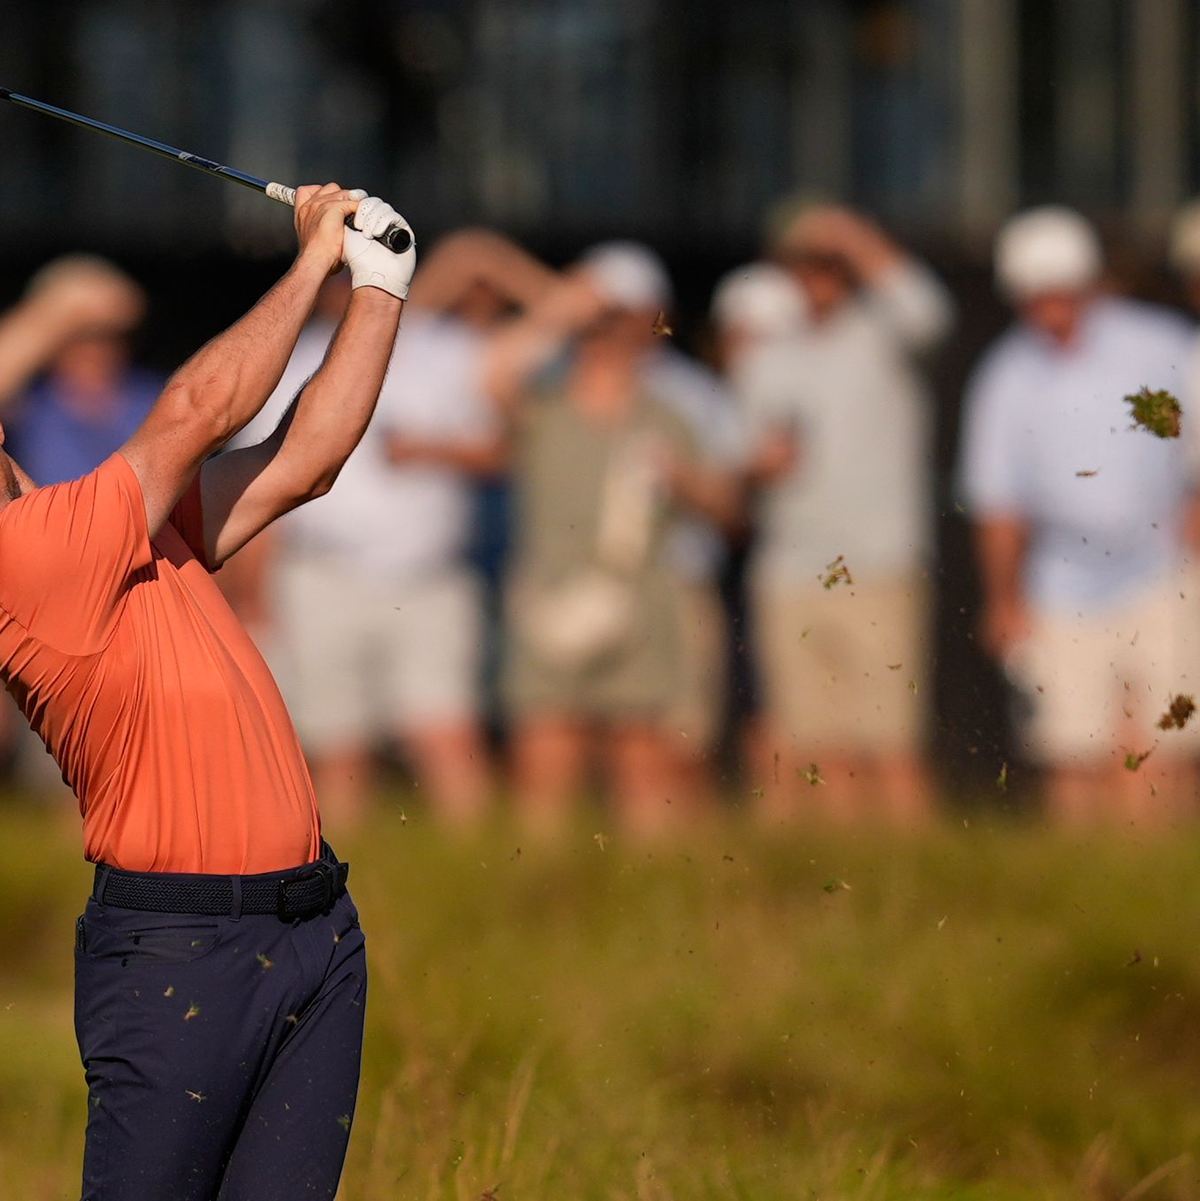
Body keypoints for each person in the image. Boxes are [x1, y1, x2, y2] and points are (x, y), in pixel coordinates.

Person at [0, 184, 414, 1198]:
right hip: (180, 951)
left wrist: (379, 283)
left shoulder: (106, 530)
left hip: (313, 934)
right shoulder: (29, 557)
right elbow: (198, 410)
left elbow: (304, 460)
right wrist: (313, 257)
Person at [229, 230, 553, 828]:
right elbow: (253, 495)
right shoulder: (286, 363)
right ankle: (346, 888)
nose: (348, 287)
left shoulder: (446, 348)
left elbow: (513, 447)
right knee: (336, 747)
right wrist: (252, 596)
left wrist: (433, 451)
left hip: (428, 579)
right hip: (320, 575)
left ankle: (478, 879)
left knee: (446, 734)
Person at [960, 206, 1199, 824]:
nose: (1050, 306)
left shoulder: (1160, 345)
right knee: (1072, 750)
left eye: (1061, 290)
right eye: (1036, 294)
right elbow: (999, 504)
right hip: (1060, 583)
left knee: (1161, 748)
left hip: (1162, 567)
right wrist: (1004, 597)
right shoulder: (1006, 376)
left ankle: (1155, 886)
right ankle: (1089, 885)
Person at [486, 261, 741, 834]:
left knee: (644, 757)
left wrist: (686, 483)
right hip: (548, 605)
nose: (608, 334)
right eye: (599, 324)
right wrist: (563, 305)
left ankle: (646, 894)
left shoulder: (669, 415)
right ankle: (540, 896)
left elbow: (728, 509)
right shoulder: (543, 409)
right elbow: (493, 372)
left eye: (620, 322)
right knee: (545, 755)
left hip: (642, 606)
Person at [737, 203, 953, 822]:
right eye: (804, 264)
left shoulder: (882, 335)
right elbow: (743, 458)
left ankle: (917, 881)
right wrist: (761, 466)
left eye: (829, 263)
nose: (817, 276)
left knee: (892, 743)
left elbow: (929, 311)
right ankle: (851, 881)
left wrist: (853, 233)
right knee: (817, 746)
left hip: (876, 561)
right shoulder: (766, 356)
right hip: (790, 566)